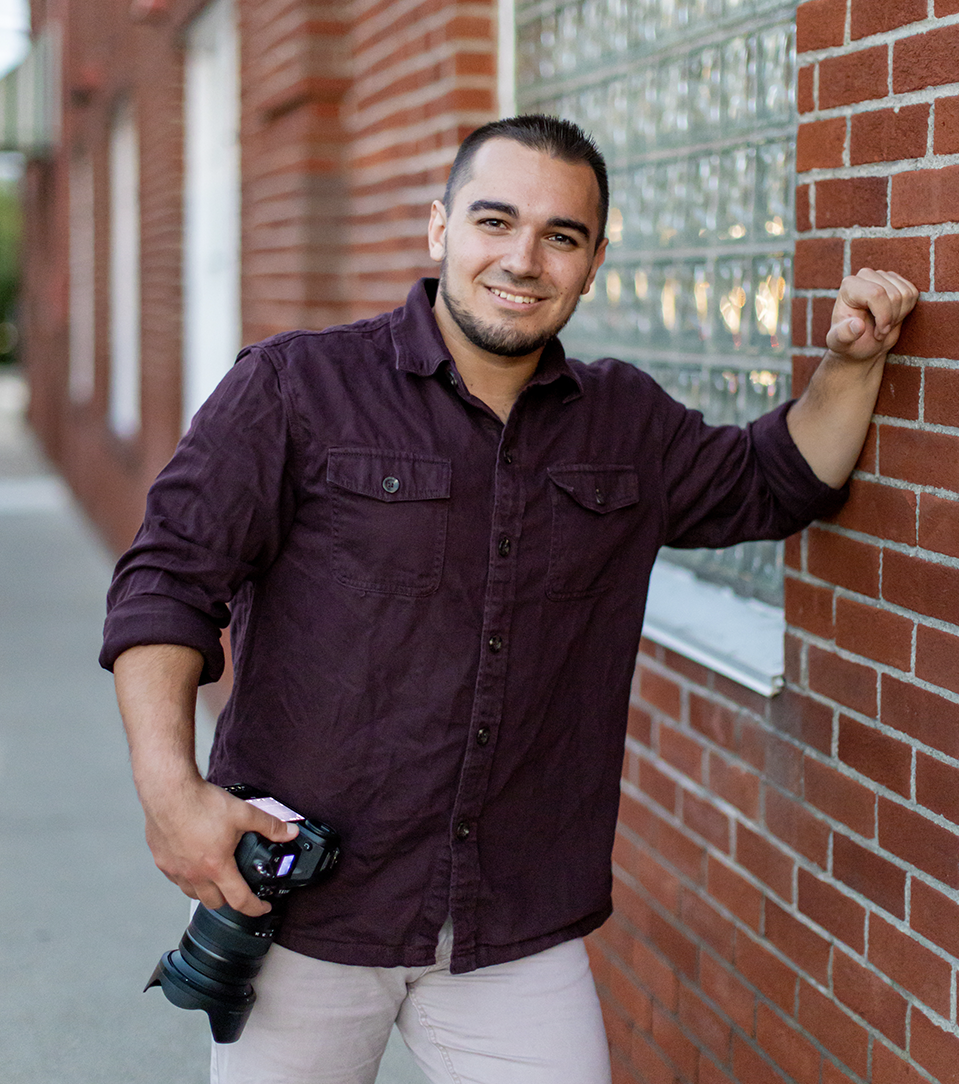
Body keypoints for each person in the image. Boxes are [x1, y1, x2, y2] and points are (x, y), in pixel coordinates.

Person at [101, 115, 918, 1084]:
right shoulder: (295, 388)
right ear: (440, 228)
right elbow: (165, 579)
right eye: (495, 221)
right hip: (309, 912)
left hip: (510, 925)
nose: (522, 259)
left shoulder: (625, 423)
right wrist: (170, 794)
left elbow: (774, 478)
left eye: (559, 237)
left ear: (592, 260)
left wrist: (853, 363)